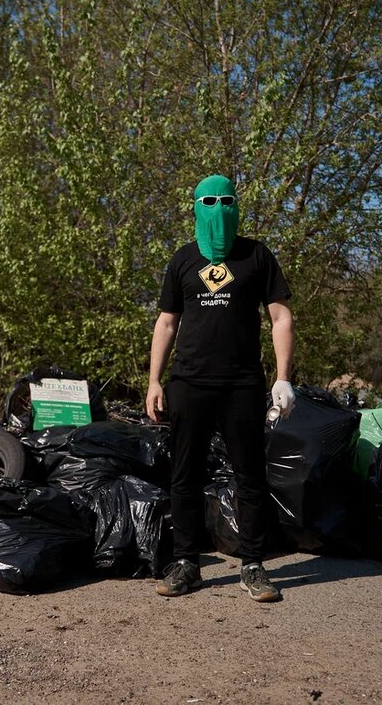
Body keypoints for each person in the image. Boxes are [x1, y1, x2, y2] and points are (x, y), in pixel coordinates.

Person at [146, 174, 295, 603]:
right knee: (185, 476)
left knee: (250, 475)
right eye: (208, 201)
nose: (218, 208)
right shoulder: (183, 260)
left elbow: (281, 317)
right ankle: (186, 564)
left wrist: (283, 378)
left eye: (226, 200)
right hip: (188, 383)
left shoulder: (256, 256)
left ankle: (252, 564)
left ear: (237, 205)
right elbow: (167, 322)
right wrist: (154, 380)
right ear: (195, 206)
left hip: (242, 384)